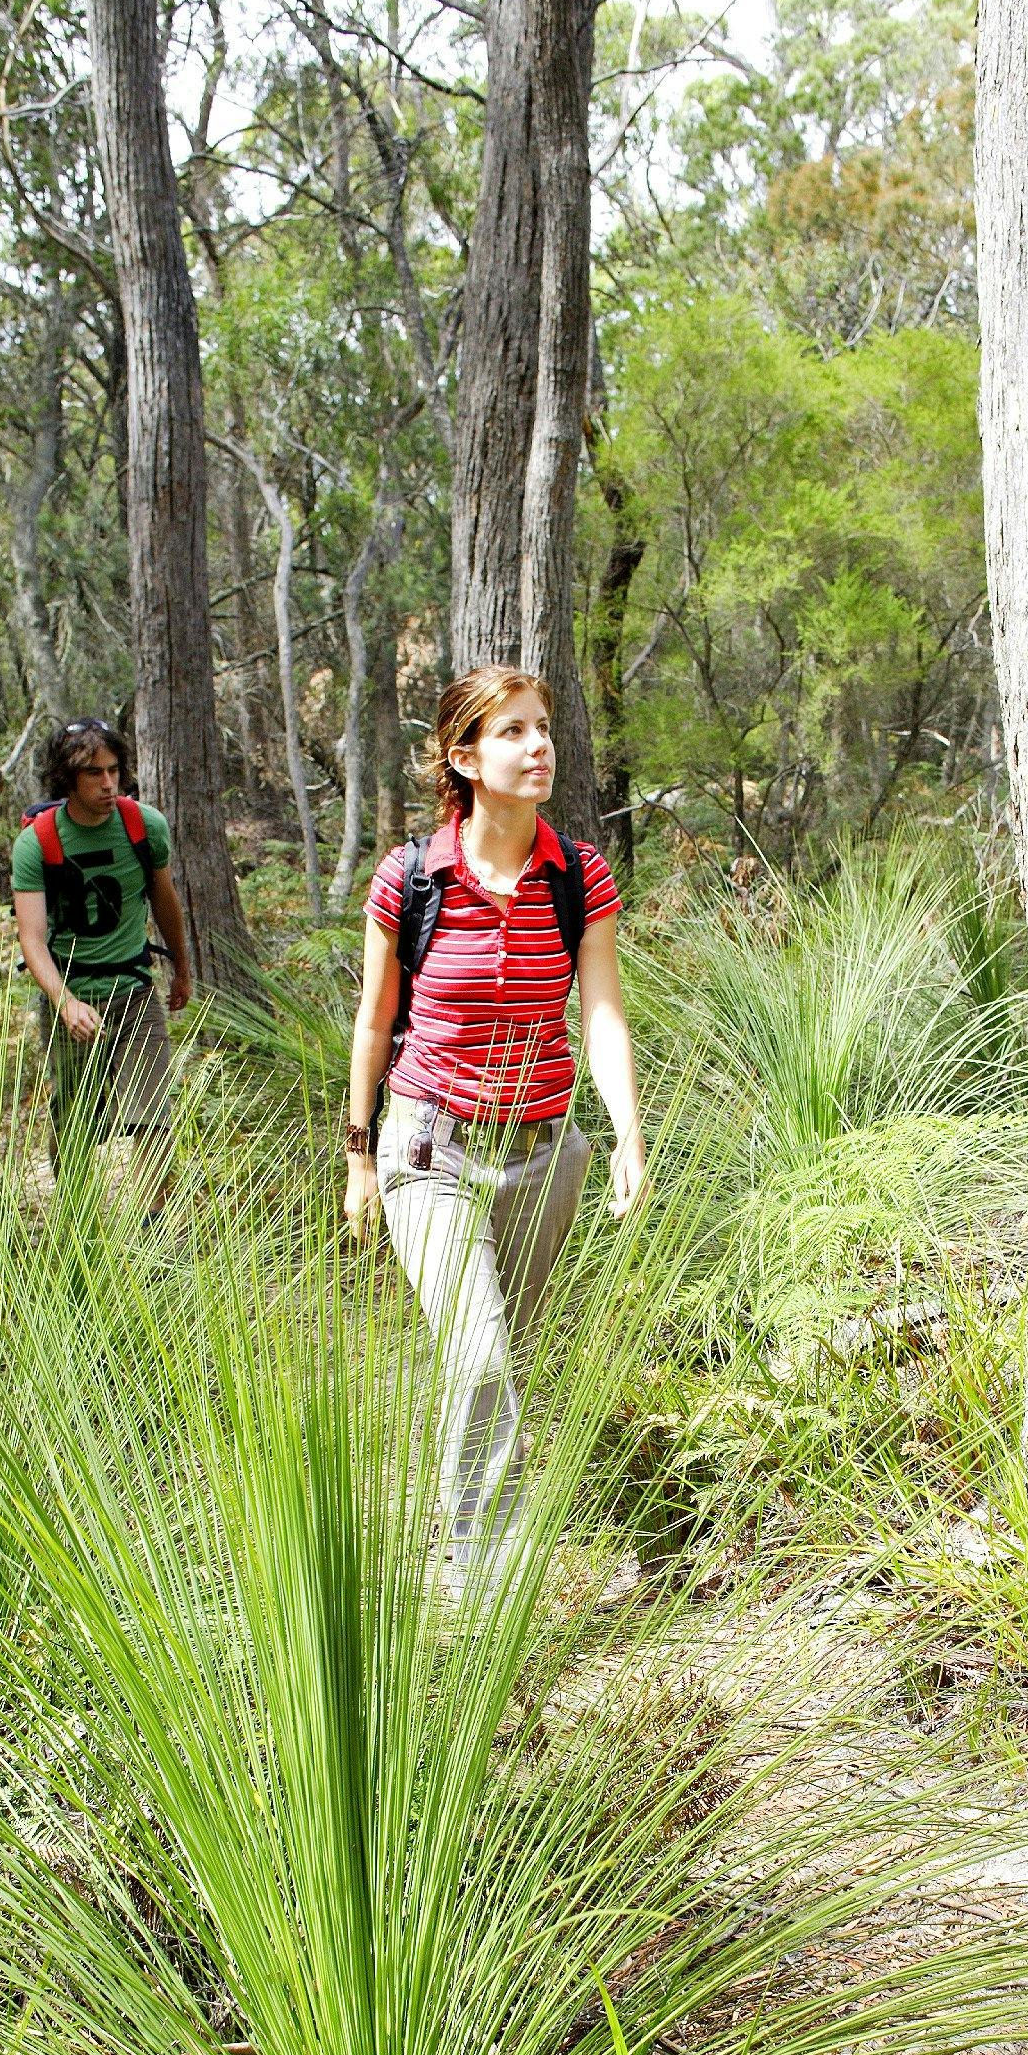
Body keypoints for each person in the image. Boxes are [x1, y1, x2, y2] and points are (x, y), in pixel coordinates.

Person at [344, 664, 645, 1591]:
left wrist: (628, 1135)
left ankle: (490, 1538)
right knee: (478, 1357)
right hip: (430, 1143)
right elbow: (371, 1019)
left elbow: (599, 1012)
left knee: (508, 1357)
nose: (538, 746)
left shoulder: (577, 875)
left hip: (543, 1150)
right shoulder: (411, 878)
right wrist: (358, 1161)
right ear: (463, 756)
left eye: (542, 727)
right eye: (511, 732)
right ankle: (477, 1578)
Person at [12, 719, 191, 1182]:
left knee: (153, 1116)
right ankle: (77, 1223)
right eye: (94, 773)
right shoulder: (37, 842)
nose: (108, 782)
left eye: (113, 769)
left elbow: (165, 901)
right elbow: (30, 937)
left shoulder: (144, 826)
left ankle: (158, 1226)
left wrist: (182, 967)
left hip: (134, 989)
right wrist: (63, 1001)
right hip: (71, 994)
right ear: (67, 778)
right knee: (73, 1120)